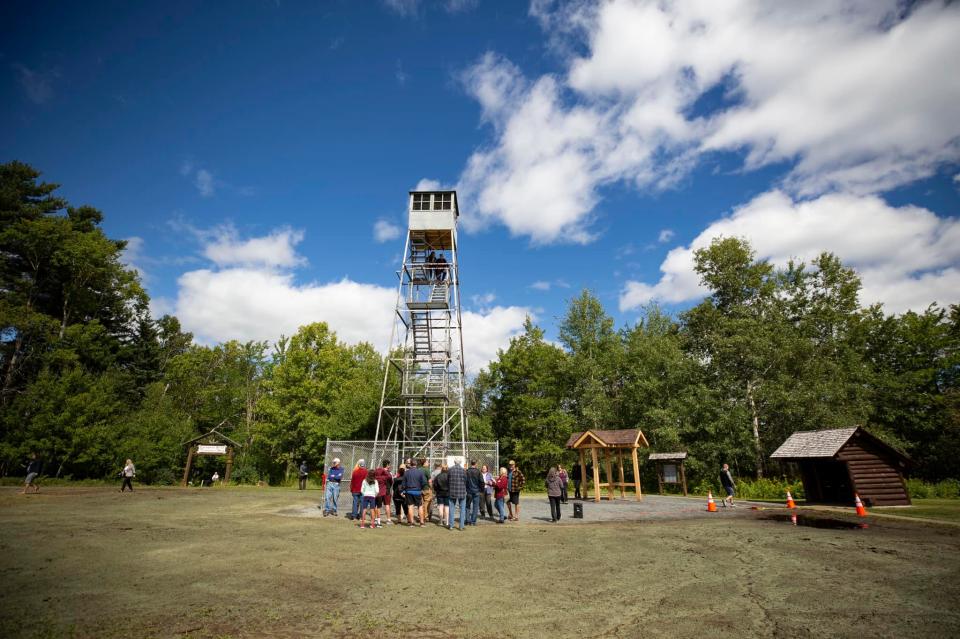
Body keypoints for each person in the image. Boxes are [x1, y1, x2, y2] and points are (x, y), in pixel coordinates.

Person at [402, 459, 427, 526]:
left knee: (410, 506)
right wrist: (421, 488)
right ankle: (422, 522)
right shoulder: (420, 472)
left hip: (409, 491)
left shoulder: (406, 472)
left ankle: (411, 522)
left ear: (410, 464)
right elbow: (424, 482)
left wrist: (404, 490)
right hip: (418, 491)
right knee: (420, 506)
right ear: (416, 464)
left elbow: (403, 483)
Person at [447, 459, 467, 530]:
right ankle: (461, 526)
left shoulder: (450, 470)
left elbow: (448, 480)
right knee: (462, 509)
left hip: (452, 491)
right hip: (462, 492)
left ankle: (451, 525)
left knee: (451, 509)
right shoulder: (463, 471)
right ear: (460, 463)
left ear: (454, 462)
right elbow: (466, 481)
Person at [465, 459, 484, 525]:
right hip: (476, 491)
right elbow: (482, 482)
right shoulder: (478, 472)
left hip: (469, 491)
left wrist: (466, 489)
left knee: (467, 506)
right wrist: (482, 490)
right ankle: (473, 521)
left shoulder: (467, 471)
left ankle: (467, 520)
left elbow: (465, 481)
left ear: (471, 463)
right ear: (475, 464)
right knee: (475, 507)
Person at [374, 460, 393, 526]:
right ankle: (388, 519)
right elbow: (391, 481)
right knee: (387, 505)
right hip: (386, 491)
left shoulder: (378, 473)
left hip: (378, 491)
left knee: (377, 506)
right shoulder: (388, 473)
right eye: (389, 465)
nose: (390, 466)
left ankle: (376, 518)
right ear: (387, 465)